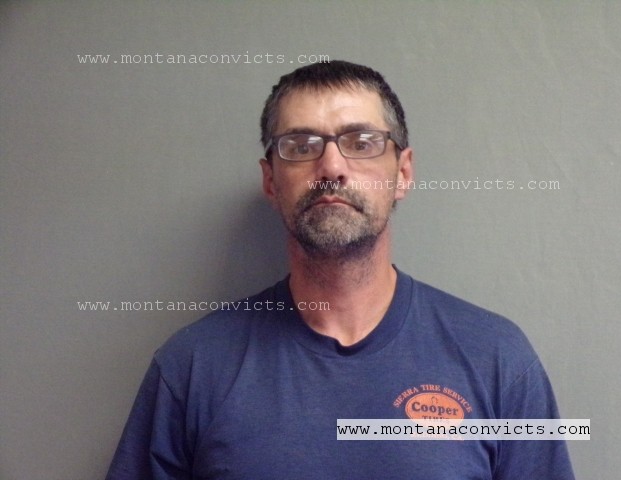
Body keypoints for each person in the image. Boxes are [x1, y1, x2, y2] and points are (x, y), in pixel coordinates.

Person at [106, 60, 575, 479]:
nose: (332, 166)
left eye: (362, 143)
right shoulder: (193, 367)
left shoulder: (496, 359)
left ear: (403, 173)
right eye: (300, 145)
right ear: (271, 180)